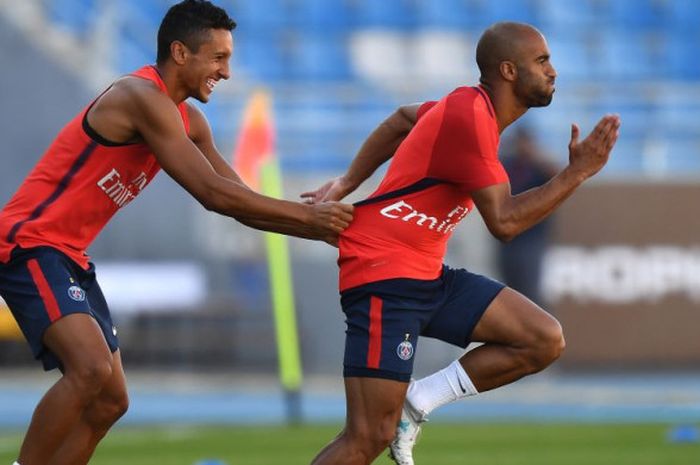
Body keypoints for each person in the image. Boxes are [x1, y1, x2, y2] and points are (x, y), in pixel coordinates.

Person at [0, 2, 353, 465]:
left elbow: (239, 200)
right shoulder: (138, 97)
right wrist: (310, 221)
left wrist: (324, 230)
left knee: (111, 400)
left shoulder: (192, 123)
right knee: (89, 368)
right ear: (180, 52)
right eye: (218, 58)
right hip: (29, 242)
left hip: (69, 256)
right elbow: (212, 194)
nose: (226, 72)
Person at [301, 22, 619, 465]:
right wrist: (577, 172)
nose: (553, 72)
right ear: (508, 70)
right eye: (542, 61)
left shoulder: (469, 109)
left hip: (425, 273)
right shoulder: (469, 119)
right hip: (383, 275)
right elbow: (505, 222)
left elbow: (400, 121)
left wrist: (347, 181)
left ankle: (419, 402)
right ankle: (402, 412)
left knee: (541, 339)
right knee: (367, 436)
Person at [498, 126, 559, 306]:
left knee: (531, 292)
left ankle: (539, 330)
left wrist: (535, 156)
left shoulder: (537, 168)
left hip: (531, 239)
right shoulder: (509, 165)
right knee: (508, 290)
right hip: (508, 240)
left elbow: (557, 174)